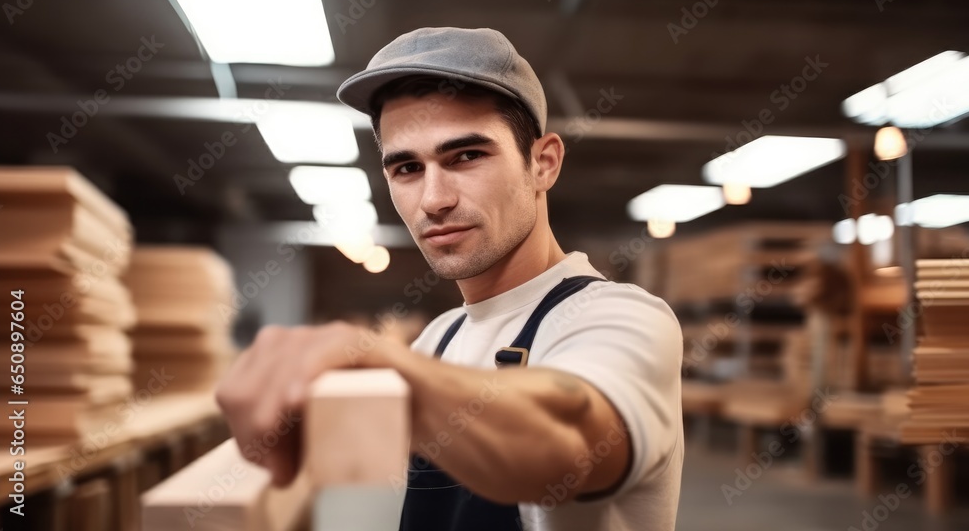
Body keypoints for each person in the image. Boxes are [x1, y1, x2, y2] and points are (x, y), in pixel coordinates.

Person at [215, 26, 684, 531]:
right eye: (407, 168)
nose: (434, 200)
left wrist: (384, 368)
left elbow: (568, 437)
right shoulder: (437, 341)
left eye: (466, 156)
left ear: (543, 163)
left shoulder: (621, 317)